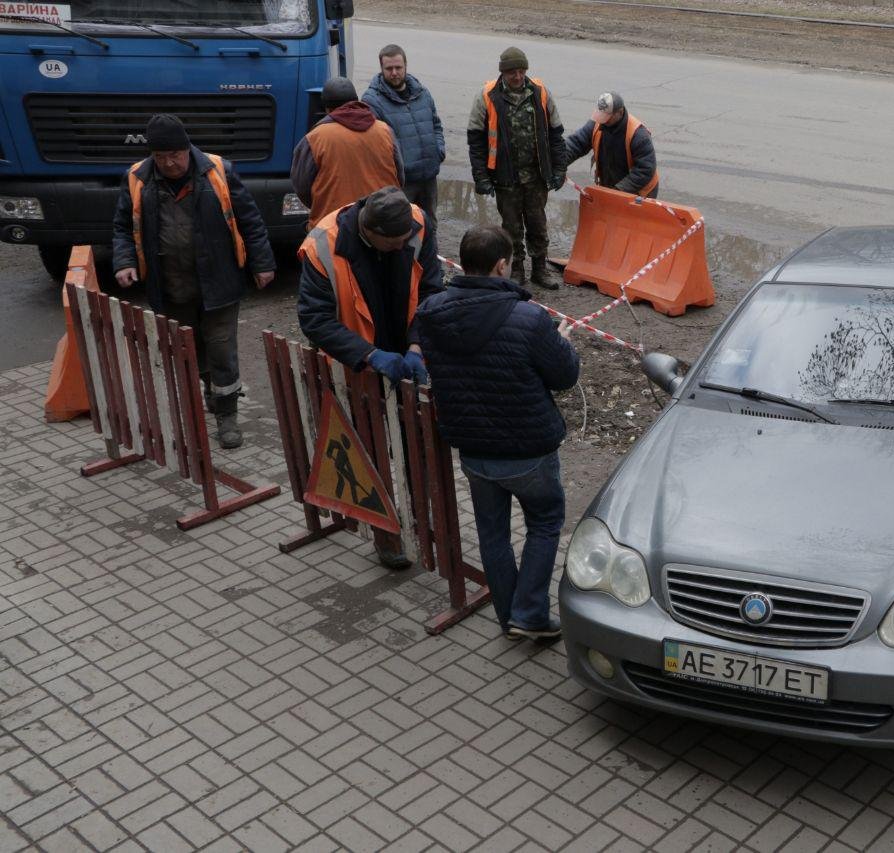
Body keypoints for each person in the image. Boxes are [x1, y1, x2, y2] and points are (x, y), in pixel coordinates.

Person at [411, 225, 579, 640]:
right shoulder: (530, 317)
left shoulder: (431, 313)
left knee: (493, 533)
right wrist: (561, 341)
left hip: (473, 448)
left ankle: (511, 616)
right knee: (543, 523)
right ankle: (530, 614)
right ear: (502, 265)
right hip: (529, 450)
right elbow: (564, 376)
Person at [297, 186, 443, 570]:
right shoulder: (323, 247)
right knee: (371, 450)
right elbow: (314, 319)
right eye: (392, 243)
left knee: (417, 445)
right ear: (369, 232)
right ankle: (386, 534)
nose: (401, 247)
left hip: (407, 360)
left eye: (404, 241)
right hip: (358, 369)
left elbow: (431, 293)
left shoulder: (416, 226)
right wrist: (369, 355)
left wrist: (417, 346)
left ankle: (420, 521)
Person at [111, 113, 275, 450]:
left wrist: (263, 264)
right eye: (161, 157)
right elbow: (123, 227)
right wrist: (124, 261)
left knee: (221, 348)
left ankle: (227, 416)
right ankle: (211, 391)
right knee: (191, 348)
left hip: (220, 282)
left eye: (175, 154)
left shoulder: (218, 171)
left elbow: (251, 221)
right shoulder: (137, 179)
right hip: (172, 285)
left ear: (187, 148)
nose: (170, 163)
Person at [467, 46, 567, 290]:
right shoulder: (487, 96)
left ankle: (540, 270)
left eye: (522, 71)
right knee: (511, 230)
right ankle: (517, 271)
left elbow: (556, 135)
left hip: (536, 177)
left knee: (538, 225)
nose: (518, 77)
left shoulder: (541, 93)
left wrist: (559, 169)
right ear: (503, 73)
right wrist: (481, 177)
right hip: (505, 178)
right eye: (513, 72)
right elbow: (476, 141)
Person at [291, 77, 403, 231]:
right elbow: (399, 177)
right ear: (356, 102)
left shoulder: (315, 138)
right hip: (381, 226)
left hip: (333, 227)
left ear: (327, 109)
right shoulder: (385, 131)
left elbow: (301, 186)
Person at [362, 44, 446, 230]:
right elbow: (373, 144)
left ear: (405, 66)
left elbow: (436, 125)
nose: (394, 73)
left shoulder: (422, 93)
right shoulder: (372, 101)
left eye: (398, 68)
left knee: (429, 225)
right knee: (401, 228)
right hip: (401, 182)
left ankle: (428, 259)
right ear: (381, 69)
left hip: (428, 177)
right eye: (389, 68)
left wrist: (438, 151)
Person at [565, 91, 659, 198]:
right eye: (601, 115)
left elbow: (645, 170)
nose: (603, 121)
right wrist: (558, 164)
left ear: (620, 112)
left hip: (640, 192)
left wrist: (617, 190)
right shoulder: (597, 123)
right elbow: (576, 143)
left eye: (607, 117)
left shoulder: (638, 135)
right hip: (612, 186)